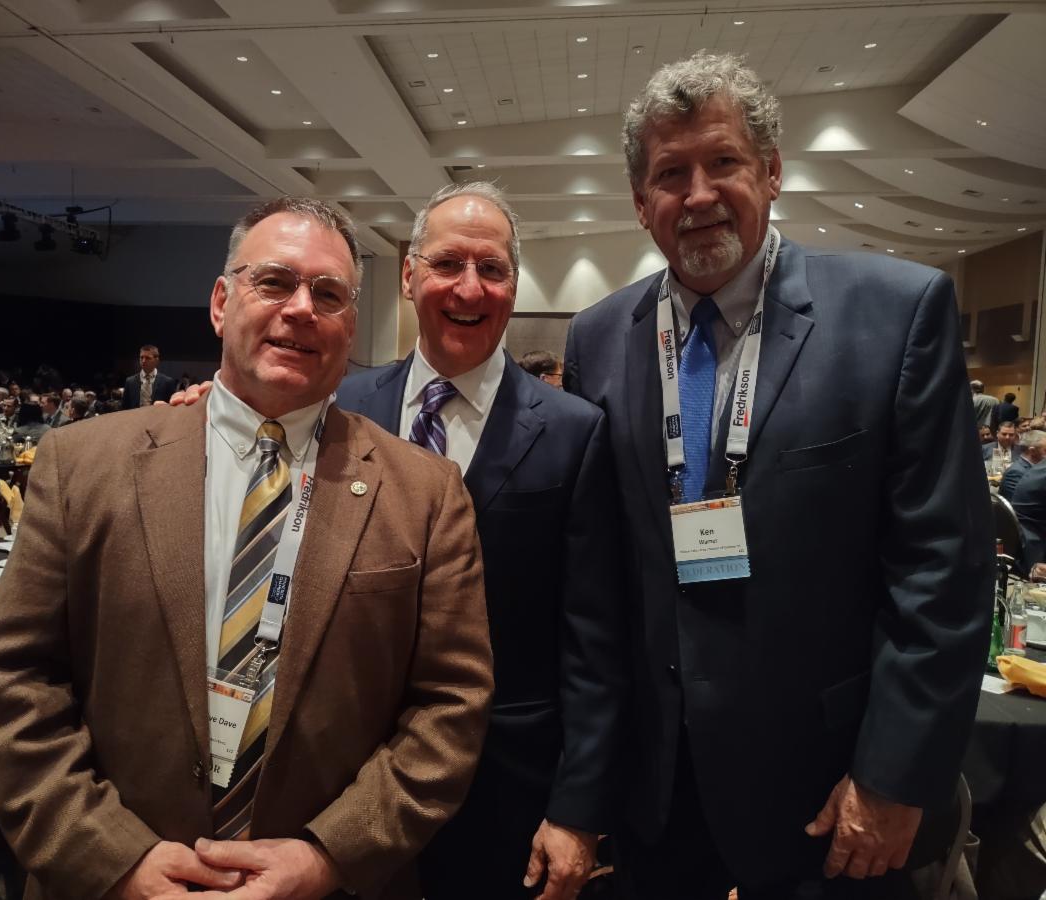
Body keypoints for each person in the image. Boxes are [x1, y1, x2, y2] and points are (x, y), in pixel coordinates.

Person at [0, 197, 494, 900]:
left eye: (329, 294)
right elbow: (16, 681)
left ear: (349, 326)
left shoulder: (426, 494)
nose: (301, 308)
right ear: (221, 303)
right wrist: (114, 860)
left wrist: (329, 857)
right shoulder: (81, 466)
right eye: (274, 282)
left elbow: (450, 706)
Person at [564, 51, 992, 899]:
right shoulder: (599, 338)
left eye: (723, 161)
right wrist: (588, 783)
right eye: (670, 173)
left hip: (829, 792)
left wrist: (893, 775)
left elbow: (942, 573)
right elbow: (599, 583)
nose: (698, 194)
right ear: (641, 202)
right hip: (659, 789)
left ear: (771, 171)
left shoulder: (896, 312)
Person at [335, 182, 625, 900]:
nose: (470, 288)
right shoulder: (341, 408)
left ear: (513, 287)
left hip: (508, 790)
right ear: (409, 276)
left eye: (491, 269)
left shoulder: (574, 432)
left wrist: (578, 809)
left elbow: (595, 639)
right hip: (345, 778)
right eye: (448, 264)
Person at [123, 344, 179, 409]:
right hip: (135, 415)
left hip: (158, 415)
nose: (143, 361)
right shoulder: (130, 381)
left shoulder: (167, 382)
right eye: (141, 357)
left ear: (156, 360)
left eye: (147, 358)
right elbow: (124, 407)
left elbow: (172, 407)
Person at [998, 429, 1046, 502]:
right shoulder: (1015, 473)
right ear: (1032, 451)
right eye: (1045, 450)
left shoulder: (1038, 467)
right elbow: (1022, 502)